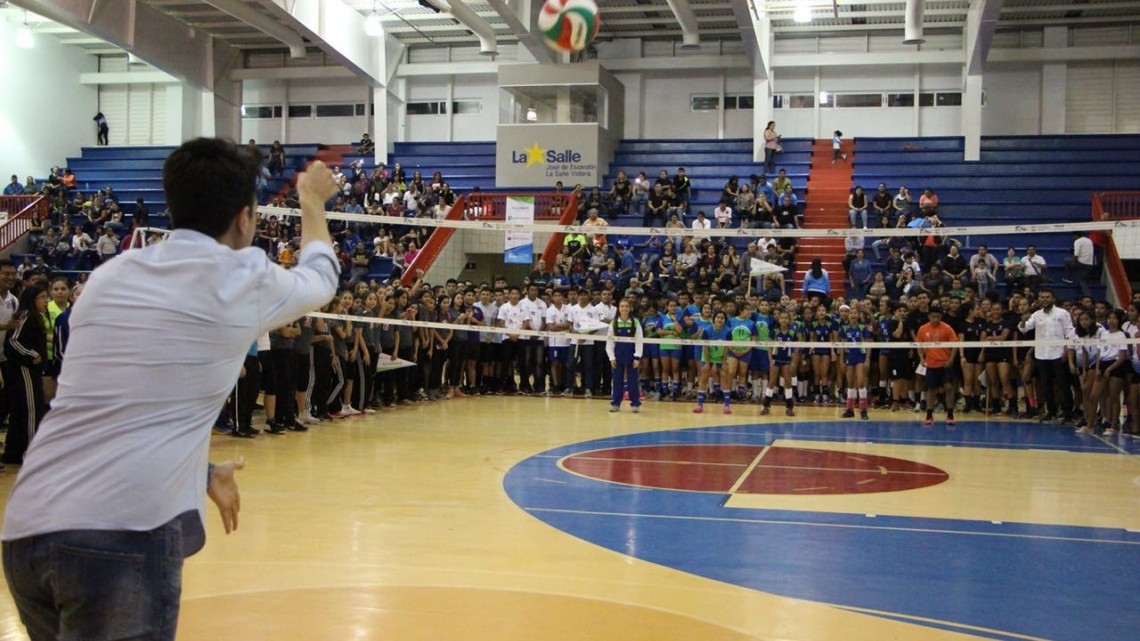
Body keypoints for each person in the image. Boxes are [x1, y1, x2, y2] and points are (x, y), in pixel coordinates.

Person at [1, 138, 341, 641]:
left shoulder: (109, 276)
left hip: (27, 530)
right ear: (245, 218)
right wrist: (311, 202)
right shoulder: (242, 276)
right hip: (121, 536)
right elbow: (321, 276)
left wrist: (198, 470)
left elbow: (118, 404)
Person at [3, 284, 49, 465]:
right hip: (24, 370)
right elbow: (13, 341)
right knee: (31, 410)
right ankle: (31, 453)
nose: (46, 301)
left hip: (31, 371)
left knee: (20, 411)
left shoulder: (35, 316)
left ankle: (13, 453)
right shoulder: (26, 316)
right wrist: (33, 355)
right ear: (32, 299)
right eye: (42, 297)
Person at [1018, 288, 1076, 422]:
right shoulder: (1036, 314)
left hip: (1058, 354)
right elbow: (1024, 328)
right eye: (1042, 297)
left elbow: (1070, 333)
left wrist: (1066, 351)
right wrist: (1023, 320)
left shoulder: (1063, 313)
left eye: (1047, 297)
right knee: (1046, 385)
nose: (1044, 299)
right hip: (1042, 355)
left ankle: (1068, 413)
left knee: (1063, 385)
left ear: (1053, 299)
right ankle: (1051, 412)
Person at [916, 307, 958, 426]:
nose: (935, 319)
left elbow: (955, 345)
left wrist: (951, 359)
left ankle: (950, 415)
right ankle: (929, 415)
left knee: (948, 387)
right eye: (933, 317)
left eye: (938, 317)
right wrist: (921, 358)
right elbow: (919, 344)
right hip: (931, 364)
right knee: (931, 389)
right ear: (929, 317)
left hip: (945, 364)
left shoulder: (947, 328)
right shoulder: (923, 329)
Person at [606, 298, 643, 413]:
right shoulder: (614, 323)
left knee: (633, 380)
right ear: (619, 308)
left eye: (626, 306)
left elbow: (639, 340)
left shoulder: (635, 322)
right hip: (618, 355)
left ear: (630, 308)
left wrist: (637, 357)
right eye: (622, 306)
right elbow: (610, 342)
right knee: (617, 380)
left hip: (631, 355)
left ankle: (635, 403)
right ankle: (616, 403)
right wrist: (611, 357)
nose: (624, 308)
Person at [1064, 231, 1096, 297]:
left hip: (1081, 263)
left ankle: (1069, 278)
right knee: (1082, 280)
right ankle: (1087, 295)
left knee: (1067, 260)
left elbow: (1076, 254)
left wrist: (1074, 261)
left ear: (1076, 235)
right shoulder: (1089, 240)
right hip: (1089, 264)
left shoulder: (1077, 241)